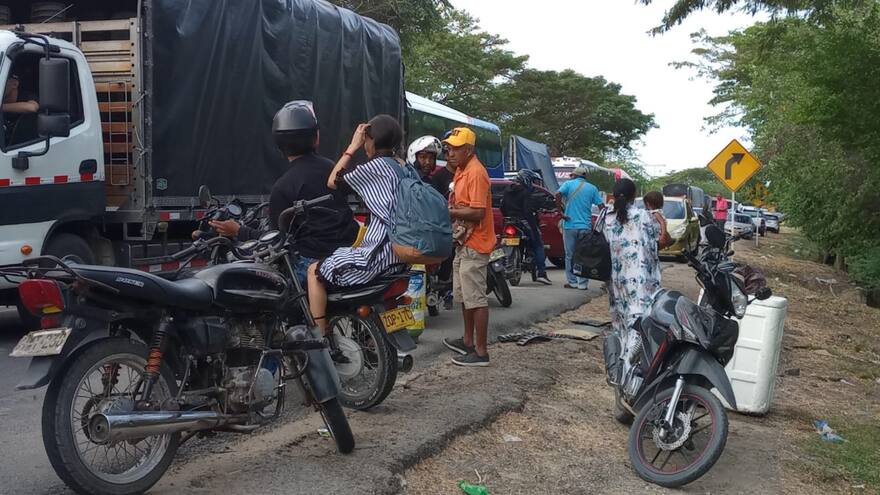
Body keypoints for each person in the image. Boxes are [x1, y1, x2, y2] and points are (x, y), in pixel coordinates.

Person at [205, 100, 358, 284]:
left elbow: (275, 239)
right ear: (316, 138)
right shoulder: (332, 170)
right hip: (347, 255)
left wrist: (238, 230)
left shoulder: (283, 187)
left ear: (279, 144)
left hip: (311, 262)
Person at [307, 115, 405, 343]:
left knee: (314, 270)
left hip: (379, 255)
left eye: (366, 140)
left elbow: (333, 181)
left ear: (370, 139)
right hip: (399, 254)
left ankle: (320, 342)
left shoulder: (375, 167)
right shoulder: (403, 166)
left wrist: (353, 146)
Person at [442, 127, 495, 367]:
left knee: (476, 298)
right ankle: (467, 341)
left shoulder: (476, 173)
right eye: (449, 148)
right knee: (464, 296)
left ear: (469, 149)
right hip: (464, 241)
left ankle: (481, 352)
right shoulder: (462, 171)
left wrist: (450, 211)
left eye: (455, 148)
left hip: (476, 242)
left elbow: (478, 211)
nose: (450, 153)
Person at [603, 179, 662, 357]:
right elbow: (658, 240)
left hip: (616, 279)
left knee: (621, 322)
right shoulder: (644, 216)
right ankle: (633, 364)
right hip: (640, 278)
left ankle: (622, 361)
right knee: (639, 322)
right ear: (634, 196)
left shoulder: (607, 218)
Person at [554, 166, 605, 290]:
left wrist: (560, 212)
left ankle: (572, 282)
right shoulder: (592, 188)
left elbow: (557, 194)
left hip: (569, 225)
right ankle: (582, 283)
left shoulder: (568, 184)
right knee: (584, 255)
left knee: (569, 255)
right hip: (585, 226)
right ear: (585, 177)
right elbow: (602, 207)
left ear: (575, 175)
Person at [500, 169, 552, 285]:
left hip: (509, 221)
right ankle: (541, 273)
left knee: (502, 244)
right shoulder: (526, 192)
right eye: (532, 180)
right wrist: (532, 224)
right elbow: (527, 211)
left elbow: (502, 207)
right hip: (523, 222)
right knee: (538, 244)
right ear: (526, 179)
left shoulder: (508, 190)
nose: (533, 183)